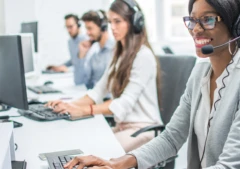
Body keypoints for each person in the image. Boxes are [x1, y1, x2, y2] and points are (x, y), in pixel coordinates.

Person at [63, 0, 240, 169]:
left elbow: (230, 165)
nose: (195, 29)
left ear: (238, 25)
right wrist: (115, 163)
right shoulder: (200, 72)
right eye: (192, 20)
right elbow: (172, 137)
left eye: (208, 19)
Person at [46, 0, 163, 153]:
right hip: (123, 127)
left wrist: (83, 110)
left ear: (135, 22)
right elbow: (98, 92)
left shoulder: (143, 56)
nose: (112, 27)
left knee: (97, 154)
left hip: (144, 129)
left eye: (118, 21)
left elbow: (123, 104)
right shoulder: (119, 54)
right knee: (81, 145)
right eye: (110, 22)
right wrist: (68, 105)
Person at [47, 14, 88, 85]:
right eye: (66, 27)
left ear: (78, 25)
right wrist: (60, 67)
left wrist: (68, 70)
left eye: (71, 27)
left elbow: (86, 65)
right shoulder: (70, 42)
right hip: (77, 82)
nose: (68, 30)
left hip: (86, 83)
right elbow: (73, 60)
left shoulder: (86, 41)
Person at [79, 10, 115, 89]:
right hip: (97, 98)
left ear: (103, 27)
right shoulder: (94, 53)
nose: (87, 33)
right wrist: (82, 56)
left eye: (90, 28)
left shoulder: (115, 50)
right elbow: (84, 82)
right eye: (86, 29)